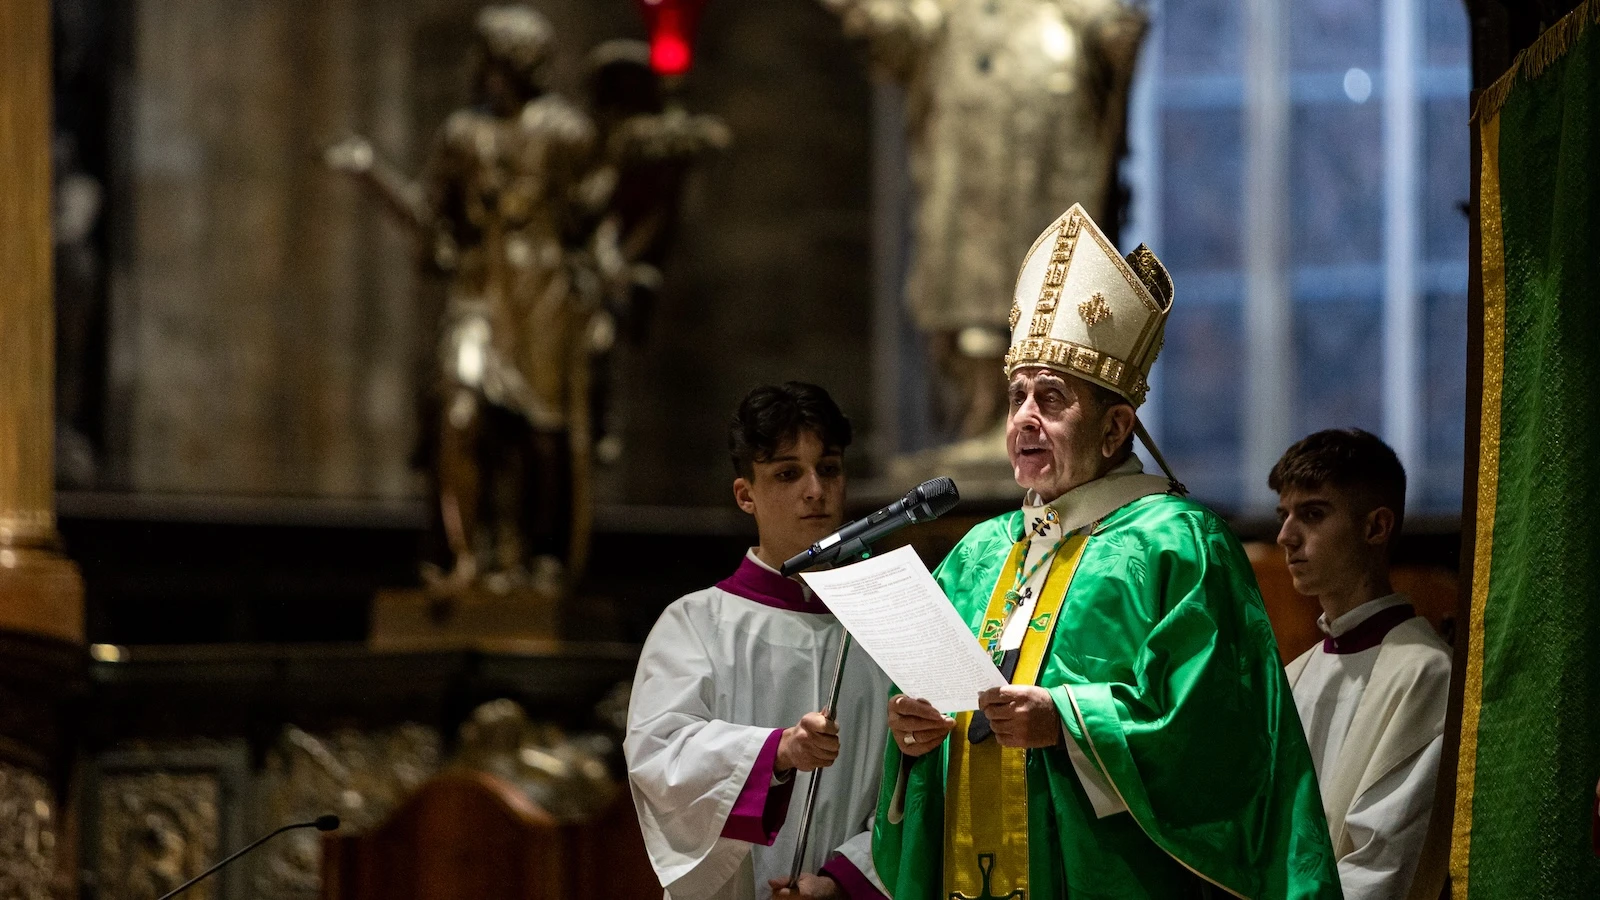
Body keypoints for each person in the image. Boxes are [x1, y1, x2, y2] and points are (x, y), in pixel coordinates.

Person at [872, 204, 1339, 899]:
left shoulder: (1178, 546)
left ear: (1117, 425)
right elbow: (924, 714)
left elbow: (1217, 743)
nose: (1025, 418)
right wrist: (910, 740)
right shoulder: (977, 553)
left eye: (1051, 399)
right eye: (1017, 397)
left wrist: (1063, 719)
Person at [626, 383, 892, 900]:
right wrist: (777, 752)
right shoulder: (695, 624)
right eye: (788, 473)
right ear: (745, 494)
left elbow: (914, 786)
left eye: (829, 468)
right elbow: (660, 759)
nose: (815, 489)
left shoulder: (886, 625)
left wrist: (844, 880)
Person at [1272, 429, 1453, 900]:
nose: (1285, 536)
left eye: (1312, 514)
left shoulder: (1426, 673)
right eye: (1284, 514)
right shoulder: (1294, 674)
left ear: (1376, 527)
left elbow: (1385, 865)